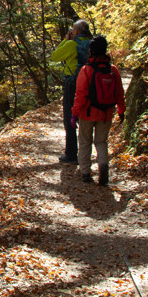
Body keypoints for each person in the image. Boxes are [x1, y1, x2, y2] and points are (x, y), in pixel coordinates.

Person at [71, 34, 125, 185]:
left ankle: (85, 173)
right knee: (101, 142)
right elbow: (120, 93)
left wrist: (74, 114)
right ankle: (103, 166)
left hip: (87, 113)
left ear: (91, 51)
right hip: (106, 113)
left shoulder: (86, 70)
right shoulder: (113, 69)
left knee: (85, 142)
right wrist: (121, 110)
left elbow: (80, 95)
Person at [50, 19, 92, 164]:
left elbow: (55, 56)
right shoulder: (91, 43)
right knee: (85, 117)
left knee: (70, 117)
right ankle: (85, 154)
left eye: (73, 30)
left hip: (72, 82)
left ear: (77, 32)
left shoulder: (71, 44)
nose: (71, 32)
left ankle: (71, 154)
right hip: (88, 82)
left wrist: (66, 40)